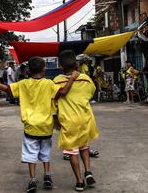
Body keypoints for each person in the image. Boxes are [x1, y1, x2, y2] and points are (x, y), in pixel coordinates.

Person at [0, 56, 79, 192]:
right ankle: (47, 175)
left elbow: (7, 89)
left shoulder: (23, 84)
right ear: (44, 69)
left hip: (30, 127)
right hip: (46, 126)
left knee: (30, 155)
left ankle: (33, 179)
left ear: (28, 70)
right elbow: (62, 92)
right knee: (45, 153)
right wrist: (73, 78)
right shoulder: (49, 83)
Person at [53, 50, 99, 191]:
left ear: (61, 65)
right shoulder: (85, 79)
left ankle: (79, 181)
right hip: (85, 119)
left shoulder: (57, 81)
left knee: (72, 152)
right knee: (84, 147)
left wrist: (55, 120)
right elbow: (91, 92)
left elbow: (53, 102)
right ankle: (88, 171)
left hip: (68, 121)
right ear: (76, 64)